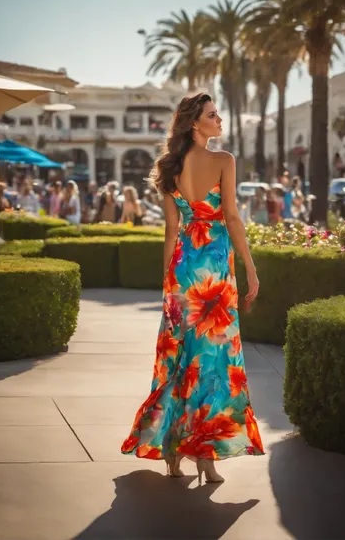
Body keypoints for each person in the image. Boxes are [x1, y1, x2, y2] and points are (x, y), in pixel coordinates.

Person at [121, 92, 264, 483]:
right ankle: (206, 455)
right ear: (194, 124)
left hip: (183, 270)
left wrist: (167, 281)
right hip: (214, 271)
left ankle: (173, 451)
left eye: (218, 113)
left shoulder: (170, 166)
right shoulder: (224, 161)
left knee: (180, 358)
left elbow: (171, 231)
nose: (220, 120)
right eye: (212, 115)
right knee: (213, 362)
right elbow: (231, 216)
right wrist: (251, 269)